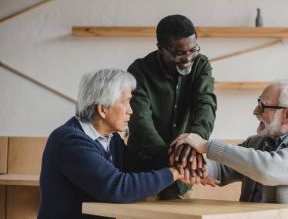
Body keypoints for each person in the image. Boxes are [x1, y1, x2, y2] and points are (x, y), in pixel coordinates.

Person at [171, 81, 288, 219]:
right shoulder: (257, 142)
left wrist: (207, 145)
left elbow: (269, 169)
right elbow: (222, 168)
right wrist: (194, 168)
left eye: (263, 106)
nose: (255, 111)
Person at [38, 69, 183, 219]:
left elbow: (141, 165)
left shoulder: (110, 139)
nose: (131, 111)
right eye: (126, 102)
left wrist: (181, 163)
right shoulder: (69, 141)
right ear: (103, 109)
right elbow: (117, 187)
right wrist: (175, 173)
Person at [127, 14, 217, 198]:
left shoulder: (201, 64)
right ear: (161, 48)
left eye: (193, 50)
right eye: (179, 53)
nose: (188, 58)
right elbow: (140, 123)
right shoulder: (139, 71)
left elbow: (205, 104)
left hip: (183, 174)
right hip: (144, 171)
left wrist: (195, 143)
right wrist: (176, 160)